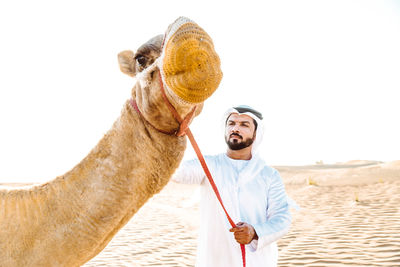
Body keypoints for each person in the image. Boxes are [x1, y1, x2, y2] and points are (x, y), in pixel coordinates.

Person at [172, 105, 293, 267]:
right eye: (231, 123)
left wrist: (255, 232)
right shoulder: (208, 165)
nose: (236, 128)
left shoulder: (268, 175)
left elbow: (282, 220)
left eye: (244, 125)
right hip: (215, 260)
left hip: (256, 261)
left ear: (256, 134)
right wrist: (171, 136)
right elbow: (175, 172)